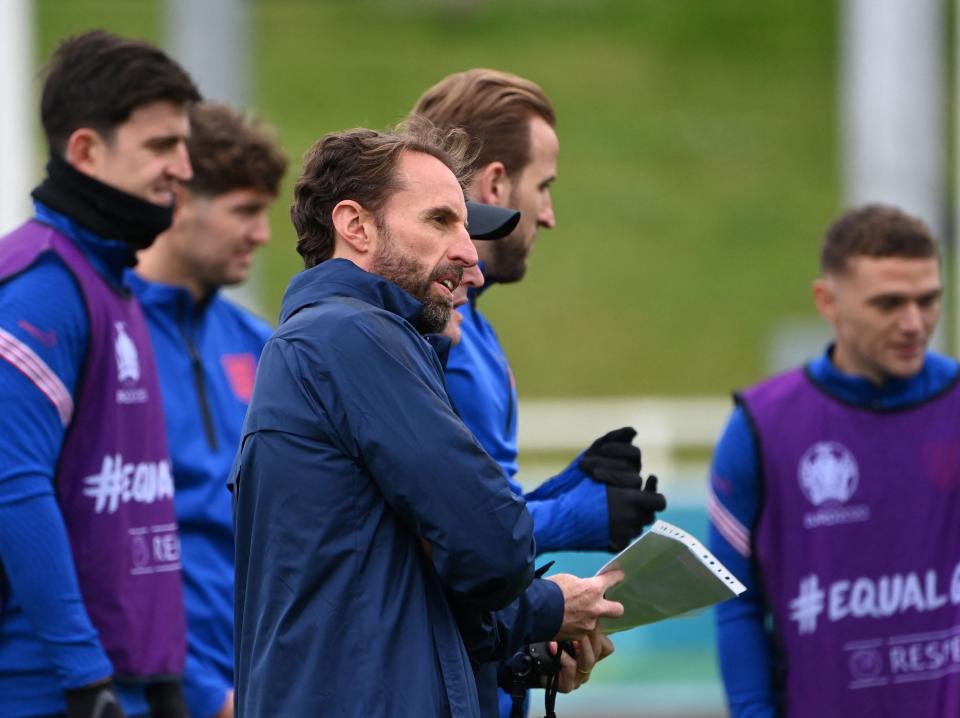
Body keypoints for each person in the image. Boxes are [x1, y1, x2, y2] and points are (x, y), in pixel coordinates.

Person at [230, 121, 624, 717]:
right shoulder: (352, 334)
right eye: (441, 220)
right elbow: (497, 545)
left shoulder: (330, 340)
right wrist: (544, 606)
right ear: (355, 226)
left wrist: (521, 647)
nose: (470, 255)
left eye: (466, 227)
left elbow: (388, 593)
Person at [412, 68, 666, 716]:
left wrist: (561, 490)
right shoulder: (427, 338)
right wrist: (570, 517)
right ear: (497, 184)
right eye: (544, 188)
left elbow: (474, 507)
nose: (548, 215)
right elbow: (431, 540)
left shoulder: (476, 331)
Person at [0, 30, 200, 718]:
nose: (183, 167)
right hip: (52, 694)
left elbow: (131, 505)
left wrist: (165, 676)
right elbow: (13, 488)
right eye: (159, 146)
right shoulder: (39, 288)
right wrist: (85, 679)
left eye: (183, 143)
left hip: (126, 688)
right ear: (85, 150)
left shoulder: (110, 280)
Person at [708, 204, 960, 717]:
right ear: (829, 301)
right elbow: (735, 602)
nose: (915, 322)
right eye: (889, 303)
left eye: (928, 299)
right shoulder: (760, 427)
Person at [126, 101, 287, 718]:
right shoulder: (105, 336)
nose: (263, 233)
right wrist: (201, 695)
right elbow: (98, 542)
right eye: (244, 210)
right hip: (148, 696)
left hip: (259, 689)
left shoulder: (261, 344)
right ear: (178, 201)